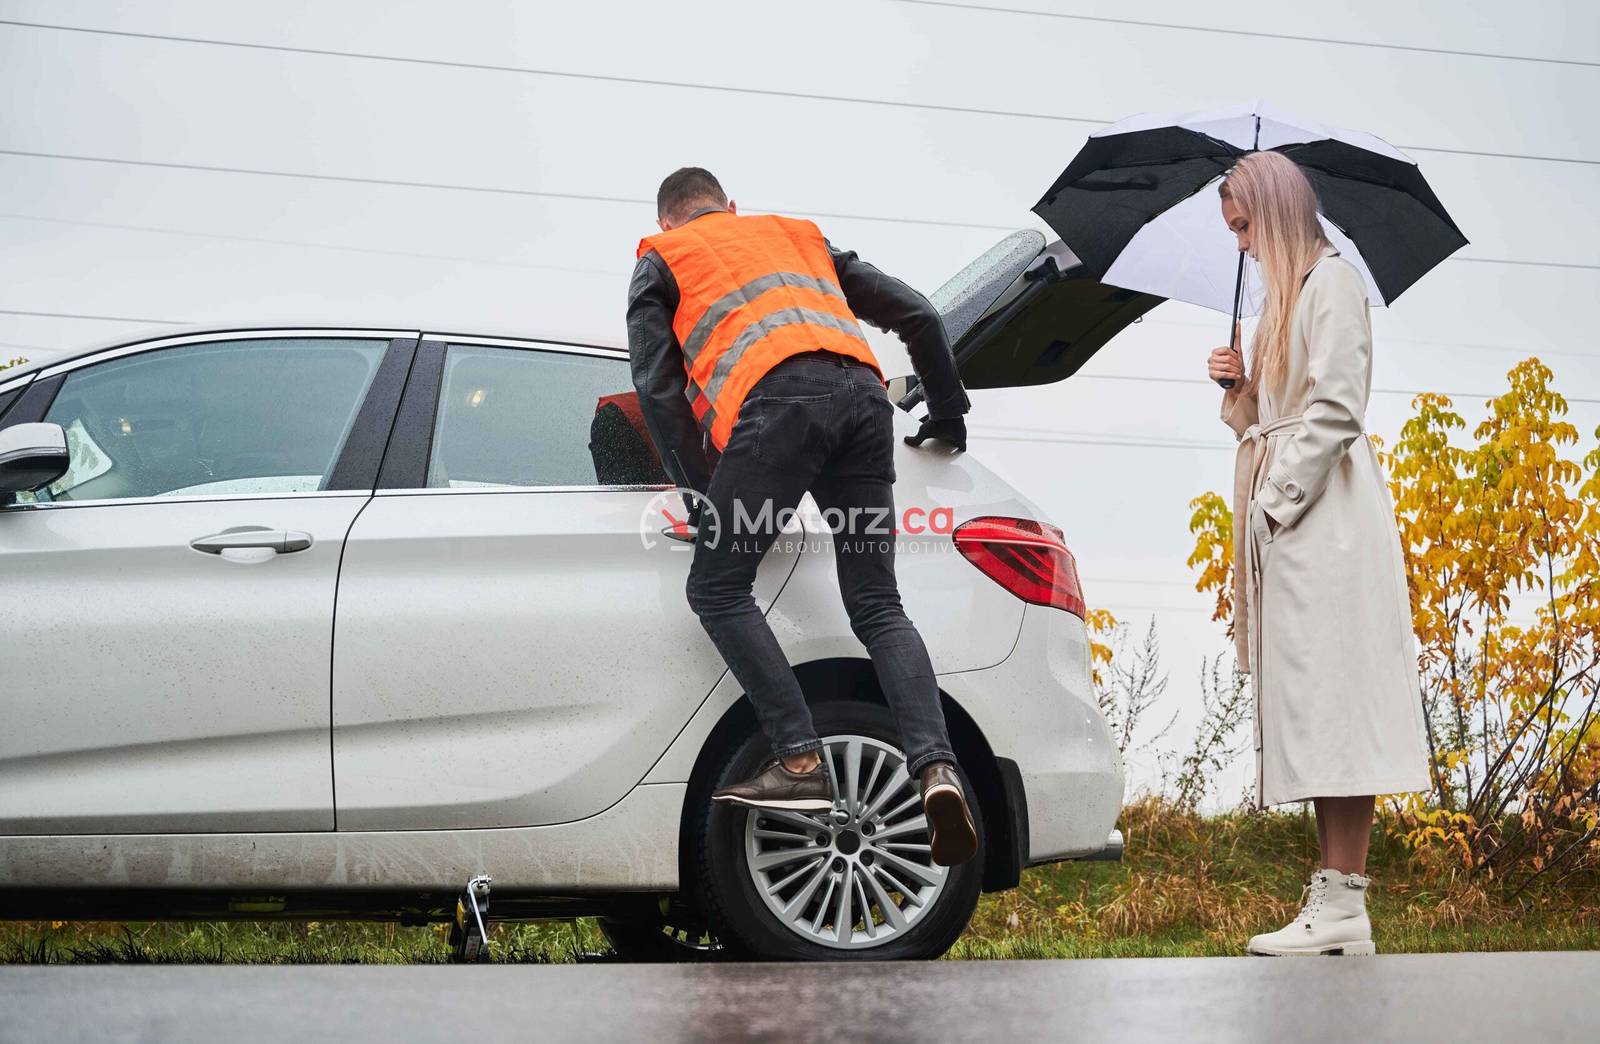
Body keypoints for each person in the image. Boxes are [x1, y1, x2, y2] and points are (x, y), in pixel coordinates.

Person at [626, 167, 978, 865]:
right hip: (865, 402)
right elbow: (920, 316)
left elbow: (656, 389)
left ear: (668, 221)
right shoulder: (799, 237)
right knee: (878, 605)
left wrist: (706, 487)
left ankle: (797, 760)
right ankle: (937, 769)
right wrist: (947, 413)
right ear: (731, 206)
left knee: (717, 586)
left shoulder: (661, 258)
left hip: (779, 409)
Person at [1209, 151, 1432, 956]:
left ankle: (1343, 903)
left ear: (1273, 211)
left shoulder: (1333, 284)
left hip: (1322, 516)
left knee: (1333, 703)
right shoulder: (1283, 299)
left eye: (1243, 226)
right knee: (1308, 707)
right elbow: (1268, 421)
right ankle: (1339, 905)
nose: (1239, 244)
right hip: (1292, 517)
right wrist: (1238, 394)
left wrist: (1273, 505)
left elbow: (1337, 407)